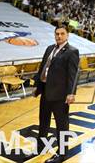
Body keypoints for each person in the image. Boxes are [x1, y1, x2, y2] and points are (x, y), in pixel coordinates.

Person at [34, 25, 80, 163]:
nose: (59, 36)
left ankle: (62, 154)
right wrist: (38, 86)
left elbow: (74, 75)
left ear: (67, 35)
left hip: (61, 96)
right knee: (43, 122)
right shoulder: (50, 48)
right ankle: (40, 148)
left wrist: (71, 93)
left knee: (62, 126)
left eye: (62, 34)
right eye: (57, 34)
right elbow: (43, 68)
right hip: (46, 92)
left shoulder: (72, 51)